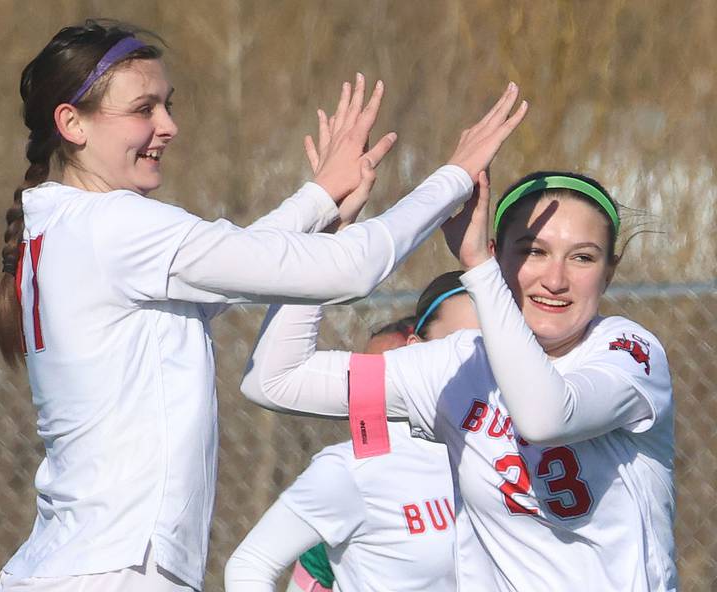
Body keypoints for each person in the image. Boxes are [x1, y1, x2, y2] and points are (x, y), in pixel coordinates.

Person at [0, 19, 527, 592]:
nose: (168, 125)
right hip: (112, 572)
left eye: (168, 104)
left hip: (73, 565)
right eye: (143, 108)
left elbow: (236, 262)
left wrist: (320, 198)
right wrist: (453, 177)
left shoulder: (64, 227)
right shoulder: (114, 226)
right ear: (72, 123)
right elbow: (352, 268)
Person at [241, 170, 675, 591]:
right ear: (498, 255)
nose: (556, 280)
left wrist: (479, 270)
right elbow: (276, 379)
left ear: (609, 271)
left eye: (583, 257)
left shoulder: (628, 352)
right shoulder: (457, 363)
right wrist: (326, 240)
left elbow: (545, 418)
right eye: (533, 251)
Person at [226, 274, 477, 592]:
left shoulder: (516, 449)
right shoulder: (358, 469)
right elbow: (250, 565)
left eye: (491, 349)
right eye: (457, 346)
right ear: (415, 350)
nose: (479, 364)